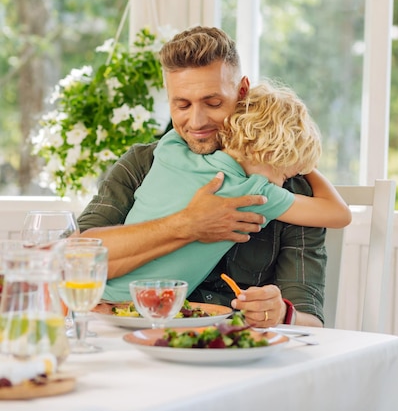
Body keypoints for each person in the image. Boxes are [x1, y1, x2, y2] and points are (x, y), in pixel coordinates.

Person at [78, 26, 334, 327]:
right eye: (182, 104)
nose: (196, 122)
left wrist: (281, 313)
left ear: (241, 92)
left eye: (212, 103)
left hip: (237, 349)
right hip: (132, 336)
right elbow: (77, 259)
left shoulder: (290, 187)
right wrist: (188, 224)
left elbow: (311, 320)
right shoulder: (145, 162)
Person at [102, 81, 351, 301]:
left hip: (98, 291)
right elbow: (339, 214)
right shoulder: (253, 193)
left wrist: (291, 156)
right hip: (141, 308)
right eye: (285, 175)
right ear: (274, 154)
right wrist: (306, 166)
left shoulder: (171, 148)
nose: (283, 183)